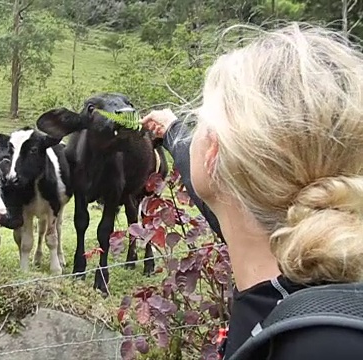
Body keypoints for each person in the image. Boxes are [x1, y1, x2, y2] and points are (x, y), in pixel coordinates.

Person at [139, 22, 363, 359]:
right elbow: (226, 196)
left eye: (200, 119)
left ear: (213, 151)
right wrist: (172, 130)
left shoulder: (311, 345)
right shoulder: (330, 298)